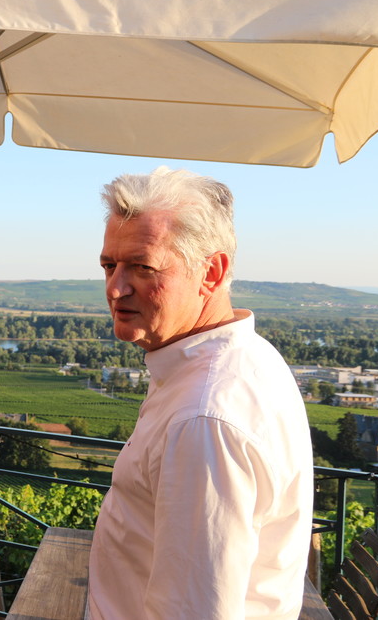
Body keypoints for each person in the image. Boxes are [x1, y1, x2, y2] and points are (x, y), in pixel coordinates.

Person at [87, 167, 314, 619]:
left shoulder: (204, 418)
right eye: (109, 265)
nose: (115, 288)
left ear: (211, 272)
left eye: (142, 267)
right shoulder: (242, 360)